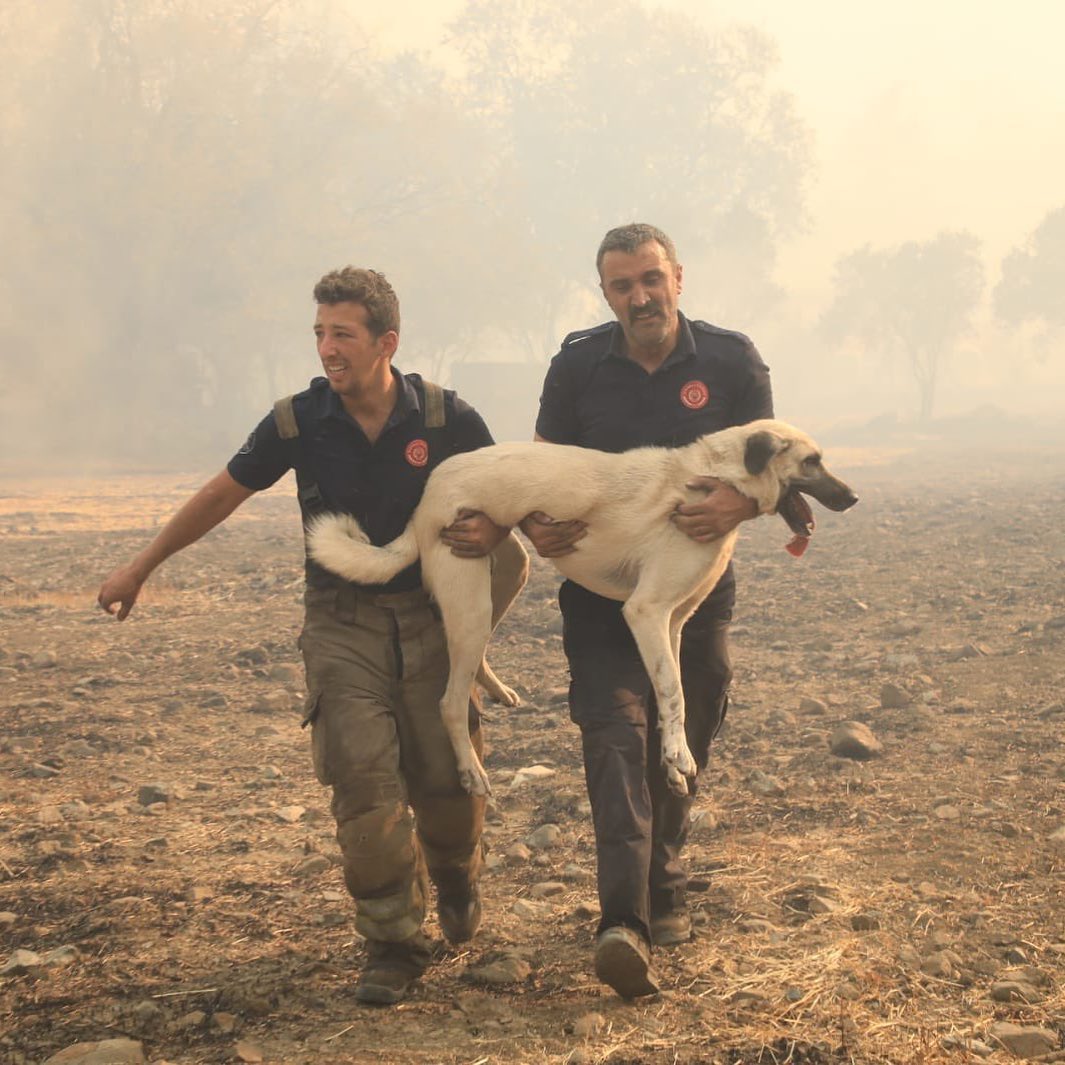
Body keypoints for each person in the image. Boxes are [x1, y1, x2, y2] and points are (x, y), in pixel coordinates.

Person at [98, 267, 526, 1005]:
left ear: (386, 342)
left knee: (446, 783)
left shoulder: (445, 418)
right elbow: (222, 492)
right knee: (361, 784)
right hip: (340, 624)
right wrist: (142, 565)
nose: (328, 348)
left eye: (343, 334)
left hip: (430, 621)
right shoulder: (297, 421)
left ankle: (455, 873)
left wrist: (500, 525)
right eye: (320, 333)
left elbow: (513, 490)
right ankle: (392, 940)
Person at [522, 223, 774, 998]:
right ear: (604, 294)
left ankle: (663, 881)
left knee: (687, 731)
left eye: (649, 280)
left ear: (677, 277)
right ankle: (623, 919)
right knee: (613, 737)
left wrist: (741, 501)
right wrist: (534, 520)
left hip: (696, 596)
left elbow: (776, 467)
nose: (639, 297)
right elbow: (542, 466)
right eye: (622, 286)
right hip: (601, 597)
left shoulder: (731, 362)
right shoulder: (576, 366)